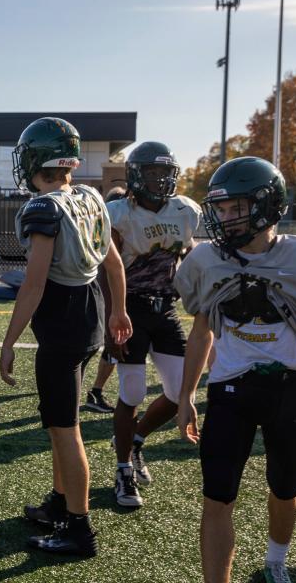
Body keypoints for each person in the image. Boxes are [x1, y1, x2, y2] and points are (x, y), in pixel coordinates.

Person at [175, 157, 296, 583]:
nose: (225, 218)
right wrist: (184, 397)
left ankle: (275, 561)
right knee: (216, 496)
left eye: (236, 207)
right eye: (220, 208)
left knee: (285, 487)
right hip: (229, 389)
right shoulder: (205, 260)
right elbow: (201, 335)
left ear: (266, 205)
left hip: (291, 389)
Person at [0, 117, 132, 556]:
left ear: (34, 158)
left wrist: (8, 341)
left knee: (65, 429)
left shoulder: (44, 208)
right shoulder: (91, 196)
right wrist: (119, 310)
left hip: (61, 321)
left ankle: (79, 527)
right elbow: (113, 263)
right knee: (63, 422)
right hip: (90, 313)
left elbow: (34, 284)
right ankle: (60, 502)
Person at [104, 142, 202, 508]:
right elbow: (107, 270)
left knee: (180, 392)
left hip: (166, 310)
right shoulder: (118, 212)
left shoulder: (186, 210)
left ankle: (135, 439)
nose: (160, 180)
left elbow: (190, 258)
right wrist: (110, 317)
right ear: (135, 175)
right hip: (130, 310)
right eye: (152, 172)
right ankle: (123, 470)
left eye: (165, 172)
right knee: (132, 392)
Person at [83, 186, 128, 415]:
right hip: (99, 296)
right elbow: (108, 271)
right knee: (99, 347)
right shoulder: (103, 230)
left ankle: (91, 391)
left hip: (105, 297)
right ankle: (94, 391)